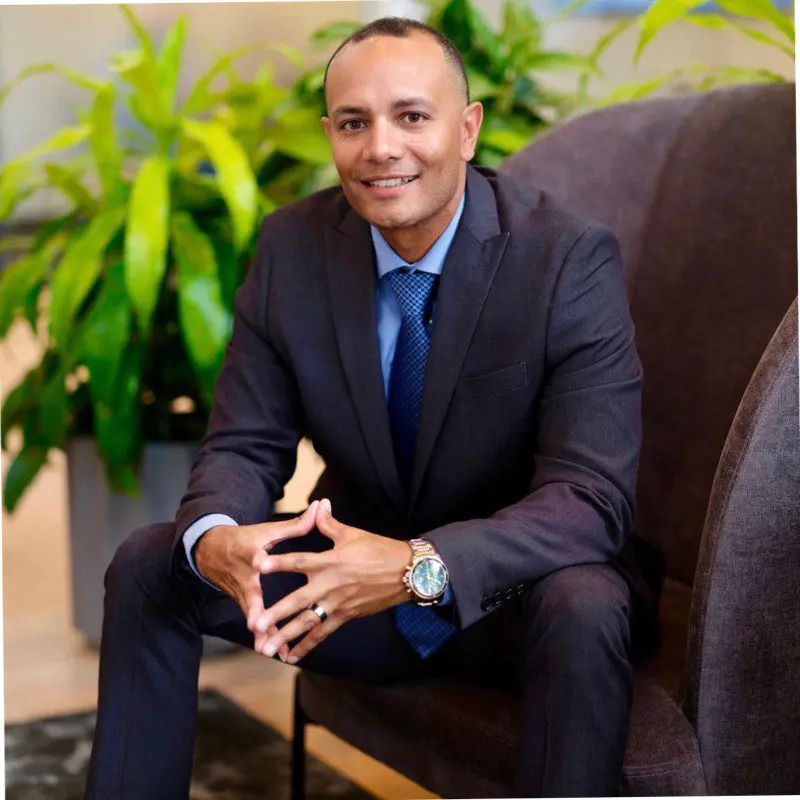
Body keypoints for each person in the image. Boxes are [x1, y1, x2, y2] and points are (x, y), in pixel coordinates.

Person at [85, 16, 657, 799]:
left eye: (412, 117)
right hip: (347, 594)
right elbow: (245, 444)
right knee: (155, 562)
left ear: (467, 129)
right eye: (354, 123)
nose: (380, 147)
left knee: (587, 600)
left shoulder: (564, 258)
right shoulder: (292, 249)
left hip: (509, 600)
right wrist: (220, 538)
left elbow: (590, 497)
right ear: (330, 134)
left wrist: (422, 566)